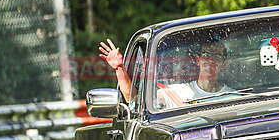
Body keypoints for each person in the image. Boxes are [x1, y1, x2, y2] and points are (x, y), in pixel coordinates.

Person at [99, 37, 234, 108]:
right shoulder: (177, 93)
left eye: (216, 57)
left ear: (224, 63)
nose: (210, 60)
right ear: (198, 60)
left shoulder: (233, 98)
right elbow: (134, 100)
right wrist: (120, 68)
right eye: (206, 55)